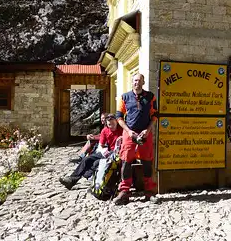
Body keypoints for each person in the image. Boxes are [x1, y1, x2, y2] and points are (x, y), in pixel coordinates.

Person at [113, 73, 159, 205]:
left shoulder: (150, 97)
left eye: (139, 80)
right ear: (132, 82)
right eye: (135, 80)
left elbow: (155, 115)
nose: (137, 83)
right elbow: (119, 117)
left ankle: (149, 192)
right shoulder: (124, 97)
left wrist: (148, 130)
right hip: (129, 133)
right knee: (126, 161)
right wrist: (128, 131)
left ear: (143, 82)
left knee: (147, 161)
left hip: (145, 133)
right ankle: (124, 192)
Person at [59, 114, 123, 190]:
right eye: (109, 124)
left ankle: (94, 180)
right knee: (87, 159)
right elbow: (102, 145)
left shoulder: (122, 129)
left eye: (113, 124)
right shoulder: (105, 131)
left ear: (116, 121)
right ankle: (71, 180)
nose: (111, 126)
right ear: (107, 124)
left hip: (119, 153)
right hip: (108, 152)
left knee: (96, 163)